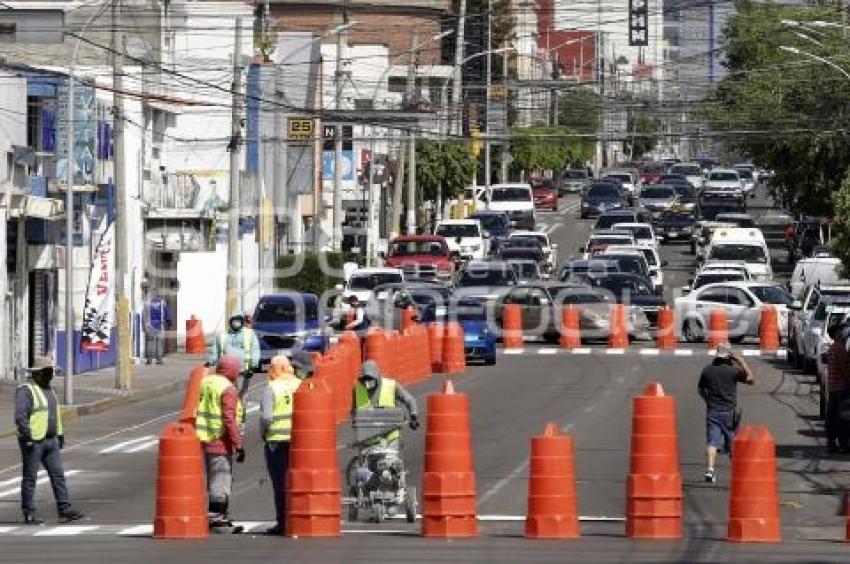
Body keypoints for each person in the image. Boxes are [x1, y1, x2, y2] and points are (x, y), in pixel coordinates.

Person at [15, 358, 85, 525]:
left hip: (51, 440)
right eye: (47, 371)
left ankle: (64, 510)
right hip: (34, 442)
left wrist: (60, 436)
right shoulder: (26, 390)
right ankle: (29, 512)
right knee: (30, 478)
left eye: (51, 372)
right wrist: (28, 437)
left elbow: (55, 415)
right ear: (37, 373)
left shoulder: (50, 390)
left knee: (58, 475)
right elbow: (20, 417)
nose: (51, 375)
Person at [195, 354, 245, 532]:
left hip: (205, 436)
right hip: (220, 439)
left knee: (214, 477)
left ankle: (219, 516)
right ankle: (217, 520)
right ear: (232, 370)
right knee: (221, 480)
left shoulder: (206, 382)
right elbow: (229, 418)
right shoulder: (227, 389)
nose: (238, 374)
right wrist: (238, 443)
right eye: (237, 370)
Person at [259, 355, 305, 535]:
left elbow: (266, 417)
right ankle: (297, 518)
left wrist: (264, 434)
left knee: (280, 483)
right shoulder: (300, 384)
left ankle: (283, 521)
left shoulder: (271, 388)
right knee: (297, 483)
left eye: (271, 367)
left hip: (277, 442)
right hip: (298, 441)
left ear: (277, 369)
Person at [697, 343, 755, 484]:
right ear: (729, 357)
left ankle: (710, 470)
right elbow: (751, 379)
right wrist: (741, 361)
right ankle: (738, 472)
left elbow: (700, 389)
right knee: (733, 442)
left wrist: (708, 400)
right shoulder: (733, 371)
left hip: (713, 411)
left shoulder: (707, 370)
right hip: (729, 412)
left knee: (712, 441)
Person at [352, 360, 419, 446]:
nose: (368, 382)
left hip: (390, 437)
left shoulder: (391, 385)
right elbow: (354, 411)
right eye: (365, 379)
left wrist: (413, 415)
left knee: (391, 458)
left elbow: (409, 400)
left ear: (377, 376)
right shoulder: (357, 389)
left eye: (370, 379)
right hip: (367, 439)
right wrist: (356, 425)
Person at [209, 313, 261, 395]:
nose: (236, 323)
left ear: (242, 321)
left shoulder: (249, 334)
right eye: (234, 321)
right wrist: (211, 361)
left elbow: (255, 350)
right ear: (230, 321)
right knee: (227, 392)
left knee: (242, 393)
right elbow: (215, 349)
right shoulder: (222, 334)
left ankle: (241, 407)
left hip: (243, 370)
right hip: (225, 370)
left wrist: (253, 365)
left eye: (238, 321)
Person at [825, 317, 850, 453]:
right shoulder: (840, 349)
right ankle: (843, 445)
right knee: (843, 418)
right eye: (841, 331)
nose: (843, 332)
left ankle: (831, 443)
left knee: (832, 417)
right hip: (842, 388)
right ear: (836, 334)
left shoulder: (831, 348)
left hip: (833, 387)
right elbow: (845, 369)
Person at [141, 281, 170, 365]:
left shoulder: (147, 302)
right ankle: (159, 359)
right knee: (159, 343)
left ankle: (149, 360)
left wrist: (143, 326)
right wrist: (168, 322)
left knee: (150, 342)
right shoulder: (162, 302)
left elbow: (144, 314)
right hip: (160, 325)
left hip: (149, 325)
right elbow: (167, 313)